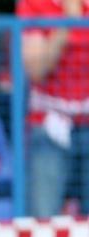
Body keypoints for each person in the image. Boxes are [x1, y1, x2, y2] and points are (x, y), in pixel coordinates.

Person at [18, 0, 89, 217]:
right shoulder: (34, 3)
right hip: (49, 126)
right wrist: (67, 23)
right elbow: (36, 69)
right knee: (43, 221)